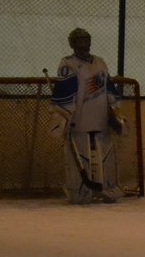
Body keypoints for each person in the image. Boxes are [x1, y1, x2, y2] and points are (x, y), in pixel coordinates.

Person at [50, 27, 122, 204]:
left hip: (100, 118)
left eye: (86, 40)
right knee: (79, 156)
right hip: (79, 121)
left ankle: (107, 189)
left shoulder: (100, 62)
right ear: (72, 44)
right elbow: (65, 93)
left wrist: (113, 110)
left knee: (105, 155)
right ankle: (80, 192)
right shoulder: (68, 64)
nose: (83, 44)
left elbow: (109, 87)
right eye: (79, 40)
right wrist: (63, 117)